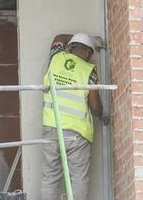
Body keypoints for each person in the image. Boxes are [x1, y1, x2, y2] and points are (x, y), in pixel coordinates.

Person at [41, 32, 105, 200]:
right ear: (86, 52)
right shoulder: (88, 71)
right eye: (90, 53)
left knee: (50, 177)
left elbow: (59, 37)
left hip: (51, 128)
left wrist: (80, 36)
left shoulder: (55, 57)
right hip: (77, 133)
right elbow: (95, 107)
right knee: (78, 178)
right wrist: (102, 115)